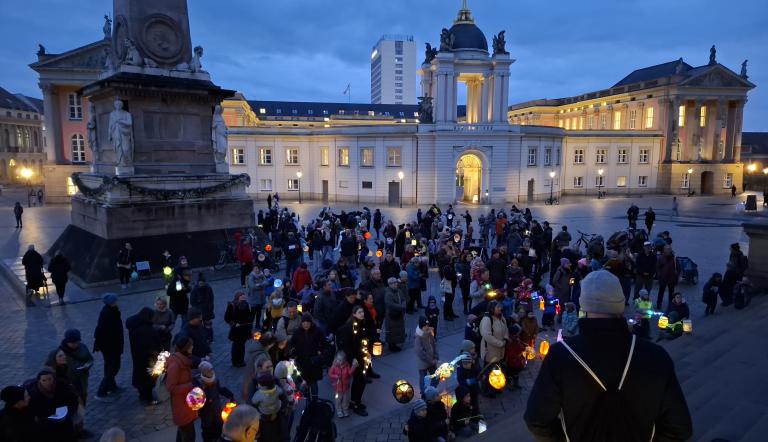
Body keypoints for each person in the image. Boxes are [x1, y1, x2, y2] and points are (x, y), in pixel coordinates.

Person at [524, 270, 692, 441]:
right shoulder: (656, 356)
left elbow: (536, 420)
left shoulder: (560, 356)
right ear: (620, 304)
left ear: (584, 306)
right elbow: (680, 428)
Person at [336, 306, 369, 416]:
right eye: (359, 312)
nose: (362, 314)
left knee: (361, 380)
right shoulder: (350, 326)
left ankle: (356, 401)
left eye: (362, 312)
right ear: (354, 314)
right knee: (360, 380)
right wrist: (352, 358)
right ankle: (355, 403)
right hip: (355, 359)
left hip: (361, 356)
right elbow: (347, 345)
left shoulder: (361, 324)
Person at [126, 307, 162, 405]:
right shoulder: (148, 330)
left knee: (140, 376)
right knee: (149, 379)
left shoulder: (134, 326)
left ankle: (142, 396)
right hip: (149, 358)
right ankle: (148, 399)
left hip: (138, 356)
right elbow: (154, 346)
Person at [165, 334, 197, 442]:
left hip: (186, 404)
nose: (192, 348)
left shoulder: (184, 360)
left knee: (183, 432)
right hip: (182, 406)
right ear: (185, 348)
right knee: (189, 436)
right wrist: (190, 385)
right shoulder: (176, 365)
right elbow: (171, 387)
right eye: (191, 346)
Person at [94, 293, 124, 400]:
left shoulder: (112, 311)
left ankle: (112, 386)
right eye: (115, 301)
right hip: (110, 346)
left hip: (112, 345)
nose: (117, 302)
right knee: (113, 366)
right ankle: (101, 390)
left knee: (110, 366)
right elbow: (99, 330)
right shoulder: (107, 313)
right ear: (111, 303)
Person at [194, 361, 234, 442]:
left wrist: (229, 394)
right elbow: (197, 405)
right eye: (209, 371)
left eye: (212, 369)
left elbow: (219, 389)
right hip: (207, 417)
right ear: (204, 373)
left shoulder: (215, 381)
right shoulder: (200, 387)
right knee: (209, 435)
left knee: (219, 431)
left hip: (217, 413)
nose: (212, 372)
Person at [290, 313, 326, 400]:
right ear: (301, 323)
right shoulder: (297, 332)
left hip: (313, 362)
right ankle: (308, 401)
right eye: (304, 323)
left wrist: (320, 354)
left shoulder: (317, 331)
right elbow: (292, 345)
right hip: (302, 363)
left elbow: (324, 344)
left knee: (313, 383)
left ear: (311, 323)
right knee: (304, 383)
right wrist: (294, 354)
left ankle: (314, 401)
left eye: (308, 323)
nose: (306, 325)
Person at [226, 291, 255, 367]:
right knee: (236, 346)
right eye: (241, 296)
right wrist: (234, 324)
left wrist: (250, 326)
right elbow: (227, 318)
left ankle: (241, 360)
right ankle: (235, 361)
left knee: (242, 345)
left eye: (243, 296)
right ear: (237, 297)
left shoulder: (246, 304)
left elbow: (249, 316)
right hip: (236, 330)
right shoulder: (232, 305)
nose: (243, 297)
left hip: (244, 329)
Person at [414, 316, 438, 395]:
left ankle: (431, 390)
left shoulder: (429, 333)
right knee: (423, 379)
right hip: (423, 363)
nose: (427, 327)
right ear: (421, 327)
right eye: (425, 326)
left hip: (431, 360)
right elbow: (421, 353)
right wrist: (431, 361)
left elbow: (434, 344)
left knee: (436, 376)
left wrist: (436, 356)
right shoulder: (418, 338)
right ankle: (423, 394)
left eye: (427, 325)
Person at [328, 350, 355, 418]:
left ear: (344, 360)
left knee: (345, 400)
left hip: (346, 387)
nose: (340, 361)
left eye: (341, 360)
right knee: (338, 400)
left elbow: (349, 373)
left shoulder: (347, 366)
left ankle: (345, 409)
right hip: (337, 388)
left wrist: (353, 367)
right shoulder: (334, 366)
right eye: (338, 360)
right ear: (336, 359)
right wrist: (336, 376)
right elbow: (330, 374)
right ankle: (339, 410)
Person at [190, 274, 215, 342]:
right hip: (199, 311)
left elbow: (211, 299)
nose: (201, 284)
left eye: (203, 283)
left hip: (207, 310)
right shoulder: (195, 290)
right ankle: (203, 338)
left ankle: (210, 338)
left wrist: (210, 307)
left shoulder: (208, 288)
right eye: (200, 283)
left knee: (208, 325)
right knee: (201, 326)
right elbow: (192, 301)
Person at [384, 277, 407, 352]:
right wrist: (402, 307)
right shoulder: (388, 293)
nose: (395, 284)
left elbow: (403, 299)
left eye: (396, 282)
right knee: (392, 331)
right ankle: (392, 346)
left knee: (398, 329)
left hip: (399, 314)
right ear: (389, 284)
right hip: (392, 315)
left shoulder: (399, 291)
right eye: (393, 283)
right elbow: (390, 304)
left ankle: (396, 342)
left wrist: (403, 305)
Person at [655, 245, 678, 311]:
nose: (668, 251)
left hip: (671, 279)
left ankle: (671, 305)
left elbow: (678, 268)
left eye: (669, 249)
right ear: (664, 250)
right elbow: (658, 267)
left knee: (671, 293)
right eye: (666, 249)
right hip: (663, 278)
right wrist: (659, 274)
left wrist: (677, 276)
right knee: (661, 292)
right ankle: (659, 304)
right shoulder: (661, 258)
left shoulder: (674, 258)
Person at [246, 266, 268, 330]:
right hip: (254, 298)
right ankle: (250, 325)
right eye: (255, 268)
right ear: (253, 269)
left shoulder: (262, 274)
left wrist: (259, 284)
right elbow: (252, 286)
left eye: (258, 268)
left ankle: (257, 325)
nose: (257, 270)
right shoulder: (251, 276)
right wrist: (262, 285)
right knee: (252, 313)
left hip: (261, 297)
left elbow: (266, 282)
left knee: (259, 312)